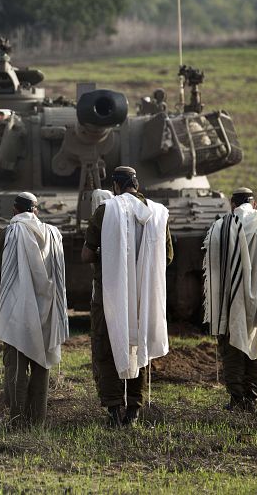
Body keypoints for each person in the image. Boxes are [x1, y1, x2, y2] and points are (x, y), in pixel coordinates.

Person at [81, 166, 173, 427]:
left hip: (110, 294)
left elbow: (87, 255)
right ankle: (133, 409)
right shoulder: (159, 213)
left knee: (108, 344)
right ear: (137, 184)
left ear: (116, 186)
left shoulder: (106, 210)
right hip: (145, 294)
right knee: (138, 343)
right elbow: (167, 257)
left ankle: (113, 409)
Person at [0, 192, 69, 427]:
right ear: (36, 210)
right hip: (47, 310)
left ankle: (16, 420)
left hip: (18, 308)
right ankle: (37, 420)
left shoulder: (10, 232)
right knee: (42, 365)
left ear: (15, 210)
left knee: (16, 366)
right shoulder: (54, 234)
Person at [203, 188, 257, 412]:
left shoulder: (221, 226)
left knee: (231, 344)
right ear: (254, 204)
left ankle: (236, 398)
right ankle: (252, 398)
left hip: (229, 296)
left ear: (232, 205)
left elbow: (213, 264)